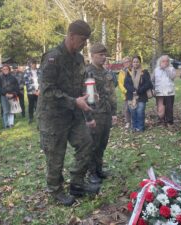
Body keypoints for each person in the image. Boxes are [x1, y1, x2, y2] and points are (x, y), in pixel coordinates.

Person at [37, 20, 100, 206]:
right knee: (56, 155)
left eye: (86, 40)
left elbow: (79, 83)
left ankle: (77, 184)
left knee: (86, 142)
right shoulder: (52, 58)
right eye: (82, 39)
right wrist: (74, 101)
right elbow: (47, 90)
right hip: (53, 117)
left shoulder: (79, 59)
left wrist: (87, 94)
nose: (83, 44)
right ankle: (55, 191)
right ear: (71, 36)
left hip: (73, 114)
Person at [86, 43, 117, 184]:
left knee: (102, 143)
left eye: (105, 55)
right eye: (101, 55)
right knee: (93, 144)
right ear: (92, 55)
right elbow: (86, 95)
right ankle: (91, 172)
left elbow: (112, 94)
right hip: (94, 114)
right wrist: (88, 116)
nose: (104, 57)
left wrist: (114, 112)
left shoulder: (106, 72)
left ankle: (99, 169)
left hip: (106, 113)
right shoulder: (87, 72)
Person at [124, 56, 153, 132]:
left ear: (140, 62)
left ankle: (140, 127)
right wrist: (133, 90)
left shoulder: (145, 72)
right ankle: (134, 127)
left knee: (140, 112)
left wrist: (139, 90)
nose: (135, 63)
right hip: (131, 95)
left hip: (141, 95)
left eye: (137, 62)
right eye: (134, 62)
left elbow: (148, 83)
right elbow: (126, 84)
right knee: (133, 112)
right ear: (132, 63)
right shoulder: (128, 72)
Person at [152, 55, 176, 126]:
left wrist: (166, 69)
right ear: (160, 62)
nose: (165, 62)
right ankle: (161, 120)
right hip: (159, 92)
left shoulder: (172, 69)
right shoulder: (156, 70)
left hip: (169, 92)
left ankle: (169, 122)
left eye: (167, 61)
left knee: (169, 108)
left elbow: (172, 77)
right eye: (163, 61)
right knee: (160, 108)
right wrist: (153, 89)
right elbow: (152, 80)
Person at [118, 57, 132, 128]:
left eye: (128, 62)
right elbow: (120, 83)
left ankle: (133, 121)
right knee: (126, 108)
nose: (126, 63)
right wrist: (125, 91)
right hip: (125, 93)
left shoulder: (133, 70)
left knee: (133, 107)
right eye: (125, 62)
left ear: (130, 62)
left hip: (133, 92)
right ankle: (128, 122)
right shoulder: (121, 72)